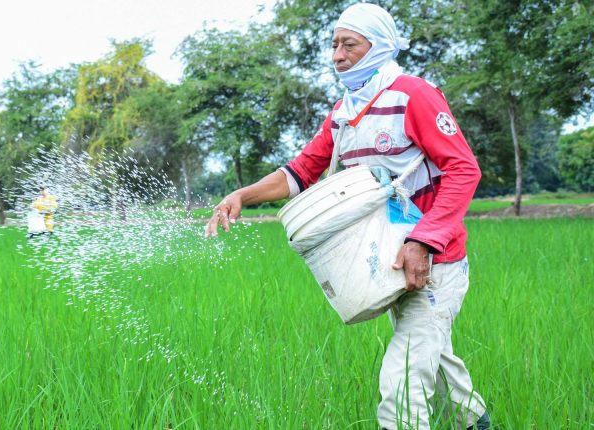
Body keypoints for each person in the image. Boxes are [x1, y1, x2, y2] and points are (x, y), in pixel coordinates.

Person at [204, 3, 490, 429]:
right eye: (334, 44)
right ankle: (479, 422)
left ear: (379, 46)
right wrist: (243, 195)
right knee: (434, 355)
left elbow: (464, 168)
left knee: (405, 377)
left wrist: (424, 240)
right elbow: (301, 171)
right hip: (388, 261)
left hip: (434, 262)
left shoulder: (412, 95)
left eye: (349, 44)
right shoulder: (344, 110)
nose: (336, 55)